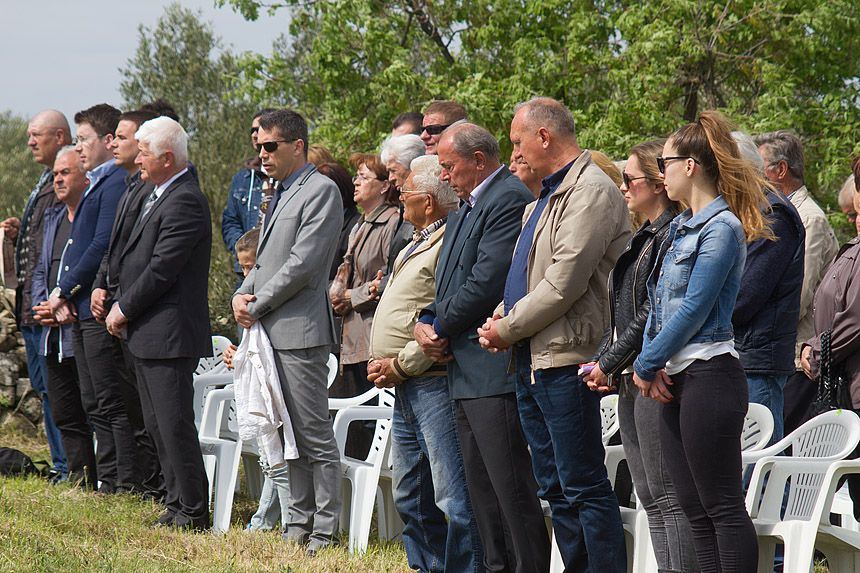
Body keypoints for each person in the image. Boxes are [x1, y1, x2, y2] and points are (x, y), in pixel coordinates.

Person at [477, 98, 628, 571]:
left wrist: (506, 327)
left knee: (582, 484)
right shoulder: (547, 193)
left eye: (518, 141)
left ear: (544, 137)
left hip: (568, 359)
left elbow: (563, 284)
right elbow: (524, 273)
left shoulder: (590, 191)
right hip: (534, 357)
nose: (514, 152)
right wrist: (500, 317)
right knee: (556, 488)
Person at [630, 112, 769, 572]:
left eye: (664, 163)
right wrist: (654, 364)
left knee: (722, 507)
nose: (658, 173)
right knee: (693, 507)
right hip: (677, 378)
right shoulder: (679, 227)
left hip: (710, 377)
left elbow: (693, 308)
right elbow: (657, 303)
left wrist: (646, 364)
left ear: (690, 165)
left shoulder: (721, 228)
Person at [417, 122, 550, 573]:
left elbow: (486, 281)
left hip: (494, 369)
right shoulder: (464, 208)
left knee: (510, 489)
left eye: (450, 166)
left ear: (478, 159)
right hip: (464, 369)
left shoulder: (508, 198)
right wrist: (427, 319)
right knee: (481, 492)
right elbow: (448, 283)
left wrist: (441, 329)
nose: (445, 176)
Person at [581, 139, 696, 572]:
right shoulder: (644, 234)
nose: (623, 187)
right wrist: (604, 359)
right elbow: (623, 310)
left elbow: (653, 308)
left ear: (658, 182)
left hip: (653, 373)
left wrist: (609, 360)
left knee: (667, 491)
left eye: (630, 179)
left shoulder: (672, 234)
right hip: (631, 372)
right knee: (647, 491)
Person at [232, 109, 343, 555]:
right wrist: (242, 293)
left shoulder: (322, 191)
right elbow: (263, 261)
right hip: (270, 331)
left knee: (313, 433)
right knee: (282, 433)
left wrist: (256, 303)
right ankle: (296, 523)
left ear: (297, 145)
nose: (262, 154)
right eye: (259, 147)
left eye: (270, 146)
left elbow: (302, 264)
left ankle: (325, 528)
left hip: (300, 332)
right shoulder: (280, 191)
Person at [367, 155, 483, 572]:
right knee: (410, 492)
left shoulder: (447, 242)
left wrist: (400, 363)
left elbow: (439, 321)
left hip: (431, 380)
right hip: (406, 384)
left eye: (406, 193)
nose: (398, 196)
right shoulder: (417, 239)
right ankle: (428, 566)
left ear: (429, 202)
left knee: (453, 494)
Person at [105, 116, 212, 530]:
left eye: (145, 153)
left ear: (167, 158)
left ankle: (193, 511)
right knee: (155, 424)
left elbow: (161, 268)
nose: (140, 159)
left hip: (168, 333)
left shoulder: (184, 199)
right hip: (149, 333)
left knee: (173, 424)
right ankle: (175, 504)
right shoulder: (157, 193)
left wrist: (123, 307)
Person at [47, 104, 139, 494]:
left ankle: (123, 481)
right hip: (83, 307)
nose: (78, 146)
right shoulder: (100, 182)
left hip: (94, 308)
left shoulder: (115, 181)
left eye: (83, 138)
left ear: (106, 141)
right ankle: (109, 479)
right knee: (93, 400)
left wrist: (65, 288)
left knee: (110, 401)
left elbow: (103, 243)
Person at [91, 107, 165, 499]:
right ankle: (140, 483)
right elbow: (113, 248)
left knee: (146, 409)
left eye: (123, 137)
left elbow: (149, 259)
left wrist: (124, 301)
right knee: (131, 406)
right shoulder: (131, 185)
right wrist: (101, 284)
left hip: (139, 311)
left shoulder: (156, 192)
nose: (116, 143)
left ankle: (149, 484)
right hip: (118, 304)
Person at [0, 109, 71, 481]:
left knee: (57, 392)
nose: (29, 142)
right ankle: (62, 465)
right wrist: (19, 230)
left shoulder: (65, 179)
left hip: (46, 305)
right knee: (46, 390)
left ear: (59, 137)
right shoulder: (47, 180)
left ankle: (66, 467)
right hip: (33, 306)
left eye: (36, 135)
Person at [755, 130, 839, 436]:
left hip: (795, 359)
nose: (752, 176)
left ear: (780, 170)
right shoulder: (773, 214)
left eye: (758, 167)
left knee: (783, 450)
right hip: (777, 354)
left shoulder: (808, 218)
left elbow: (799, 295)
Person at [729, 131, 805, 447]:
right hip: (739, 360)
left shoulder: (772, 215)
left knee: (760, 477)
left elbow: (742, 299)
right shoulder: (746, 212)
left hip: (756, 365)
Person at [30, 146, 96, 489]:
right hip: (50, 334)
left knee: (94, 408)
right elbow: (41, 269)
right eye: (55, 174)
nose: (57, 179)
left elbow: (95, 264)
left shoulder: (91, 218)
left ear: (86, 177)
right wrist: (45, 303)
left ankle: (106, 480)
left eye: (65, 173)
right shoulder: (53, 218)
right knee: (64, 411)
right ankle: (78, 478)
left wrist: (66, 303)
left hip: (79, 327)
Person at [801, 154, 860, 520]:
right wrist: (812, 345)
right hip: (847, 390)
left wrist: (819, 352)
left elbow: (855, 320)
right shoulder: (852, 247)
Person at [331, 153, 399, 457]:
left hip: (372, 334)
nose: (356, 182)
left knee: (376, 419)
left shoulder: (392, 221)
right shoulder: (360, 223)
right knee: (361, 419)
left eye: (364, 177)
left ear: (385, 186)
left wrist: (350, 297)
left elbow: (389, 280)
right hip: (352, 334)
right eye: (356, 176)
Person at [221, 109, 275, 280]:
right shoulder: (241, 179)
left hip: (277, 269)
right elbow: (230, 221)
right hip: (245, 272)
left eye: (258, 129)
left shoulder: (288, 177)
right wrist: (245, 250)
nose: (254, 134)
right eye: (252, 130)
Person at [375, 134, 427, 296]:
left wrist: (383, 284)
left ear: (412, 167)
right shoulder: (404, 205)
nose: (390, 178)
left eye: (393, 170)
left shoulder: (425, 204)